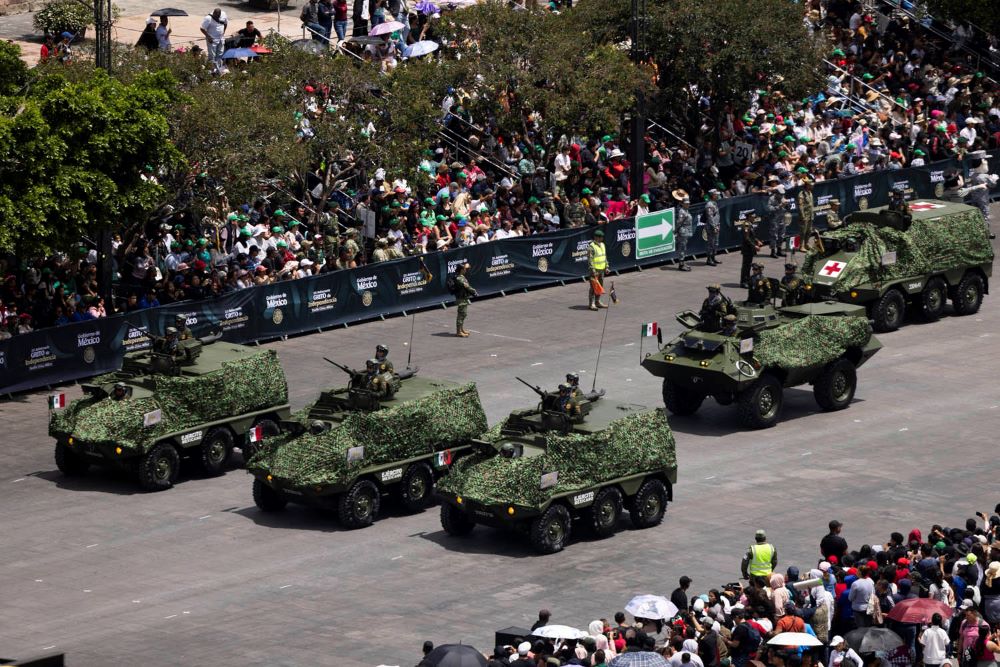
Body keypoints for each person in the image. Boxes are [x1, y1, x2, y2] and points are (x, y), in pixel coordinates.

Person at [200, 9, 228, 74]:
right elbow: (202, 28)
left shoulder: (224, 14)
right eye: (215, 15)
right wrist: (208, 36)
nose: (216, 17)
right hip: (212, 39)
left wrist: (223, 32)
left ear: (220, 14)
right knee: (212, 55)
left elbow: (225, 23)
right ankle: (212, 70)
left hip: (221, 38)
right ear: (213, 13)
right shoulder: (208, 18)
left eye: (218, 16)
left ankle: (218, 69)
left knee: (220, 54)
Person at [453, 261, 476, 337]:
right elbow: (467, 286)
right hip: (461, 298)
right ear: (461, 270)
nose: (466, 270)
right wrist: (474, 291)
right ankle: (458, 332)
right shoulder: (459, 278)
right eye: (464, 269)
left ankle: (461, 329)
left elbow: (467, 265)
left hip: (464, 297)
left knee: (464, 314)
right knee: (461, 314)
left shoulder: (461, 276)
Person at [588, 229, 609, 311]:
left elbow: (604, 256)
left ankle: (597, 302)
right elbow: (590, 260)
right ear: (596, 237)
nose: (602, 238)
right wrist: (593, 271)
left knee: (600, 287)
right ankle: (591, 304)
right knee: (594, 287)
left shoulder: (603, 245)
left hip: (602, 270)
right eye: (600, 237)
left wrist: (606, 266)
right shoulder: (591, 247)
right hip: (595, 271)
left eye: (602, 237)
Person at [739, 216, 762, 288]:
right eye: (753, 217)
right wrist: (754, 246)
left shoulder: (749, 224)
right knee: (746, 266)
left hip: (750, 249)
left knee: (748, 265)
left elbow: (752, 236)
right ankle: (743, 282)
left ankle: (747, 280)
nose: (754, 218)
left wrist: (757, 241)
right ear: (749, 217)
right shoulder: (746, 225)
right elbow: (747, 238)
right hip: (747, 249)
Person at [767, 184, 789, 259]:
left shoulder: (783, 198)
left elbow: (788, 208)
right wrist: (779, 206)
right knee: (774, 235)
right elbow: (769, 209)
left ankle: (779, 250)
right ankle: (773, 251)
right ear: (776, 193)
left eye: (782, 194)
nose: (781, 196)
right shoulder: (771, 199)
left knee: (781, 235)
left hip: (782, 218)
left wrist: (787, 205)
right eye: (780, 194)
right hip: (774, 220)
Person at [674, 189, 693, 271]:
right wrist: (676, 230)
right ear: (683, 204)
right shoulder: (682, 212)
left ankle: (682, 263)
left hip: (686, 232)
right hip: (683, 232)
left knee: (684, 248)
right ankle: (681, 265)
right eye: (686, 203)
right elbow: (679, 223)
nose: (688, 205)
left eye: (688, 203)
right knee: (682, 248)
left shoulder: (686, 210)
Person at [796, 179, 815, 254]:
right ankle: (801, 246)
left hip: (810, 215)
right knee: (803, 231)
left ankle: (806, 244)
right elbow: (800, 206)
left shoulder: (810, 193)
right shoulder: (802, 194)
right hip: (804, 216)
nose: (812, 186)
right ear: (807, 185)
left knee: (809, 231)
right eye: (811, 185)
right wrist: (802, 216)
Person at [704, 189, 722, 267]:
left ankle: (713, 257)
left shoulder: (714, 203)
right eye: (716, 194)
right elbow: (710, 217)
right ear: (712, 195)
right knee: (711, 243)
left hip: (716, 225)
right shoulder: (709, 205)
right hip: (711, 227)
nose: (717, 195)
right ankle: (709, 259)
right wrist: (714, 226)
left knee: (716, 243)